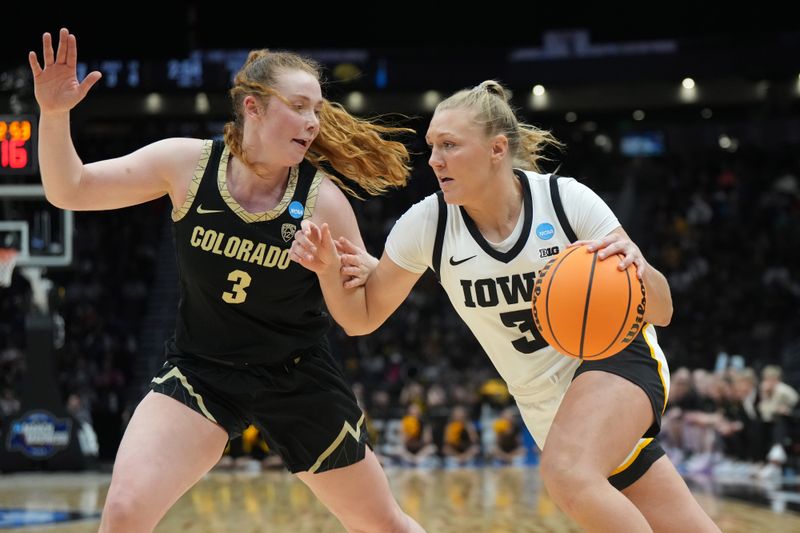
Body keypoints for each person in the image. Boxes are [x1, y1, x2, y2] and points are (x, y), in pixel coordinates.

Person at [29, 28, 425, 532]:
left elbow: (358, 319)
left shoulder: (323, 202)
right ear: (253, 108)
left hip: (296, 376)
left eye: (318, 110)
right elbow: (72, 189)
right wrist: (55, 113)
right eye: (300, 106)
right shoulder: (187, 165)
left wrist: (328, 271)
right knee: (124, 513)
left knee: (384, 525)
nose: (312, 122)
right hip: (202, 371)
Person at [291, 80, 721, 531]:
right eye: (433, 146)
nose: (435, 160)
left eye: (451, 145)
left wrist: (641, 273)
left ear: (497, 149)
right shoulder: (426, 225)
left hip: (614, 360)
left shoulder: (564, 200)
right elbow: (361, 319)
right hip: (541, 402)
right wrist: (327, 271)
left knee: (568, 473)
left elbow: (663, 309)